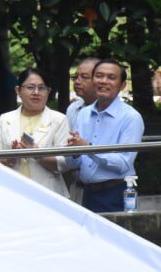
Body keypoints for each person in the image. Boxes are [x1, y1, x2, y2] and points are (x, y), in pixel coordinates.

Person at [62, 59, 145, 213]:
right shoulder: (83, 113)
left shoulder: (131, 118)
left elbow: (123, 163)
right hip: (86, 192)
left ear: (122, 85)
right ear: (93, 80)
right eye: (99, 76)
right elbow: (75, 162)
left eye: (111, 78)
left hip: (115, 193)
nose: (104, 81)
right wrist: (74, 152)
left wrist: (88, 148)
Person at [0, 69, 71, 196]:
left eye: (42, 88)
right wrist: (10, 158)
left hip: (48, 192)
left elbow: (65, 162)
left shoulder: (58, 119)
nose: (36, 92)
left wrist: (38, 154)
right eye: (30, 87)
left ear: (48, 91)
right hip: (11, 191)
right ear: (18, 91)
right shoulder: (6, 119)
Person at [65, 57, 100, 125]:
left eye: (84, 77)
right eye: (75, 76)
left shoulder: (113, 112)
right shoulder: (73, 108)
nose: (77, 81)